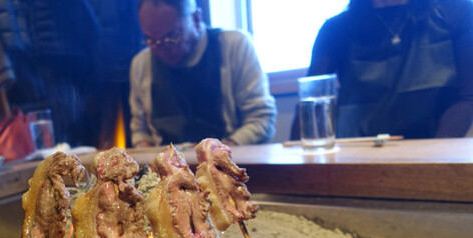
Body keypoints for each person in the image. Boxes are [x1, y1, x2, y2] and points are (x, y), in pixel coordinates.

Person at [291, 0, 473, 140]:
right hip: (356, 155)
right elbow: (310, 106)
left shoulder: (457, 11)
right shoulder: (335, 29)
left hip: (432, 149)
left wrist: (435, 158)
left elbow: (466, 98)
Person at [129, 0, 276, 148]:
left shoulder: (234, 46)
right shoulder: (141, 64)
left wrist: (222, 151)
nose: (161, 50)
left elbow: (260, 119)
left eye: (171, 37)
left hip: (228, 157)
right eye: (151, 40)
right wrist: (146, 154)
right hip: (164, 160)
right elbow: (140, 131)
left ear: (196, 19)